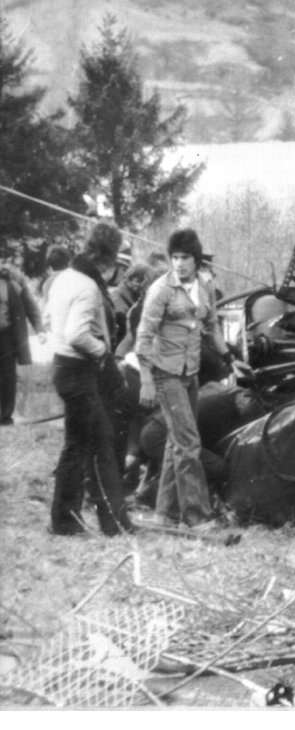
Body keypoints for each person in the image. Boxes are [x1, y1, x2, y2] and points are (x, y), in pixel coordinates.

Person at [135, 228, 236, 530]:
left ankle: (164, 513)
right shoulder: (161, 290)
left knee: (176, 445)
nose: (179, 264)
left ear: (196, 259)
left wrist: (230, 359)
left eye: (185, 258)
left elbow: (212, 326)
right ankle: (196, 517)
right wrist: (146, 379)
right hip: (165, 374)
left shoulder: (204, 286)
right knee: (189, 443)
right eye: (174, 258)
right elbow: (143, 338)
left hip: (189, 374)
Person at [46, 223, 133, 536]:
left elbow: (49, 320)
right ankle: (110, 523)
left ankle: (69, 520)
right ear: (107, 261)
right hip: (79, 372)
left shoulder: (64, 278)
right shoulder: (87, 286)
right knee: (97, 448)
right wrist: (102, 352)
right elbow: (77, 333)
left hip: (63, 369)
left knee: (81, 444)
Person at [132, 381, 269, 508]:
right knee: (217, 468)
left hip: (155, 428)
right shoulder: (248, 399)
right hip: (163, 433)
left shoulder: (218, 387)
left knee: (198, 464)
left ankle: (149, 495)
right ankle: (149, 496)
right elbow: (254, 436)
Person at [0, 262, 44, 426]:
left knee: (7, 376)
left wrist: (39, 329)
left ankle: (4, 417)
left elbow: (29, 304)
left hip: (6, 335)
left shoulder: (12, 278)